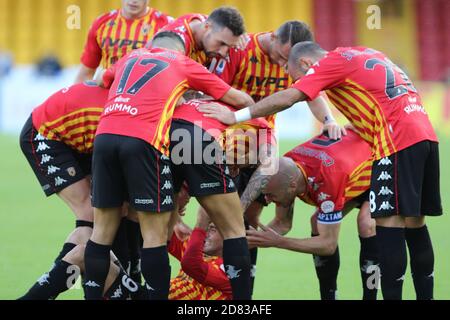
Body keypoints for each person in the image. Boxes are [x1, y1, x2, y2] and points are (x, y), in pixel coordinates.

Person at [200, 42, 442, 300]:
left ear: (305, 64)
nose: (302, 86)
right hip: (425, 134)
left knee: (389, 226)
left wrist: (236, 117)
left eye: (296, 78)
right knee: (416, 225)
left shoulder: (329, 63)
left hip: (394, 141)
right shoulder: (366, 52)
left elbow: (289, 98)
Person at [83, 31, 254, 300]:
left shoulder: (129, 56)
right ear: (182, 51)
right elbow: (242, 100)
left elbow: (99, 80)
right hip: (149, 141)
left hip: (104, 137)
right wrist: (231, 114)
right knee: (158, 235)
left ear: (150, 46)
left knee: (101, 232)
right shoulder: (182, 62)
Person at [242, 130, 378, 300]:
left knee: (366, 224)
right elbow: (282, 223)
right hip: (350, 174)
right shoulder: (286, 169)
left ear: (292, 186)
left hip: (380, 166)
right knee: (317, 222)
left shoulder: (327, 179)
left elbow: (328, 245)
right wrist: (241, 242)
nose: (267, 201)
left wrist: (278, 242)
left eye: (271, 195)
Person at [18, 81, 108, 299]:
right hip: (46, 133)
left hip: (80, 138)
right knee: (90, 215)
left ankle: (45, 292)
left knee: (98, 221)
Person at [75, 0, 172, 83]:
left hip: (147, 96)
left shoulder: (166, 25)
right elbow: (86, 73)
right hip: (108, 95)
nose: (134, 0)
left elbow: (176, 71)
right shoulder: (102, 23)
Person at [169, 209, 232, 300]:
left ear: (228, 236)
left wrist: (201, 224)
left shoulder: (229, 269)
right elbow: (162, 233)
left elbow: (191, 264)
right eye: (206, 228)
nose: (205, 234)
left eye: (212, 229)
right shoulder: (197, 252)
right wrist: (174, 210)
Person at [156, 6, 246, 66]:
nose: (223, 53)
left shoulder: (210, 26)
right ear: (206, 27)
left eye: (229, 46)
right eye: (221, 43)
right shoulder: (173, 44)